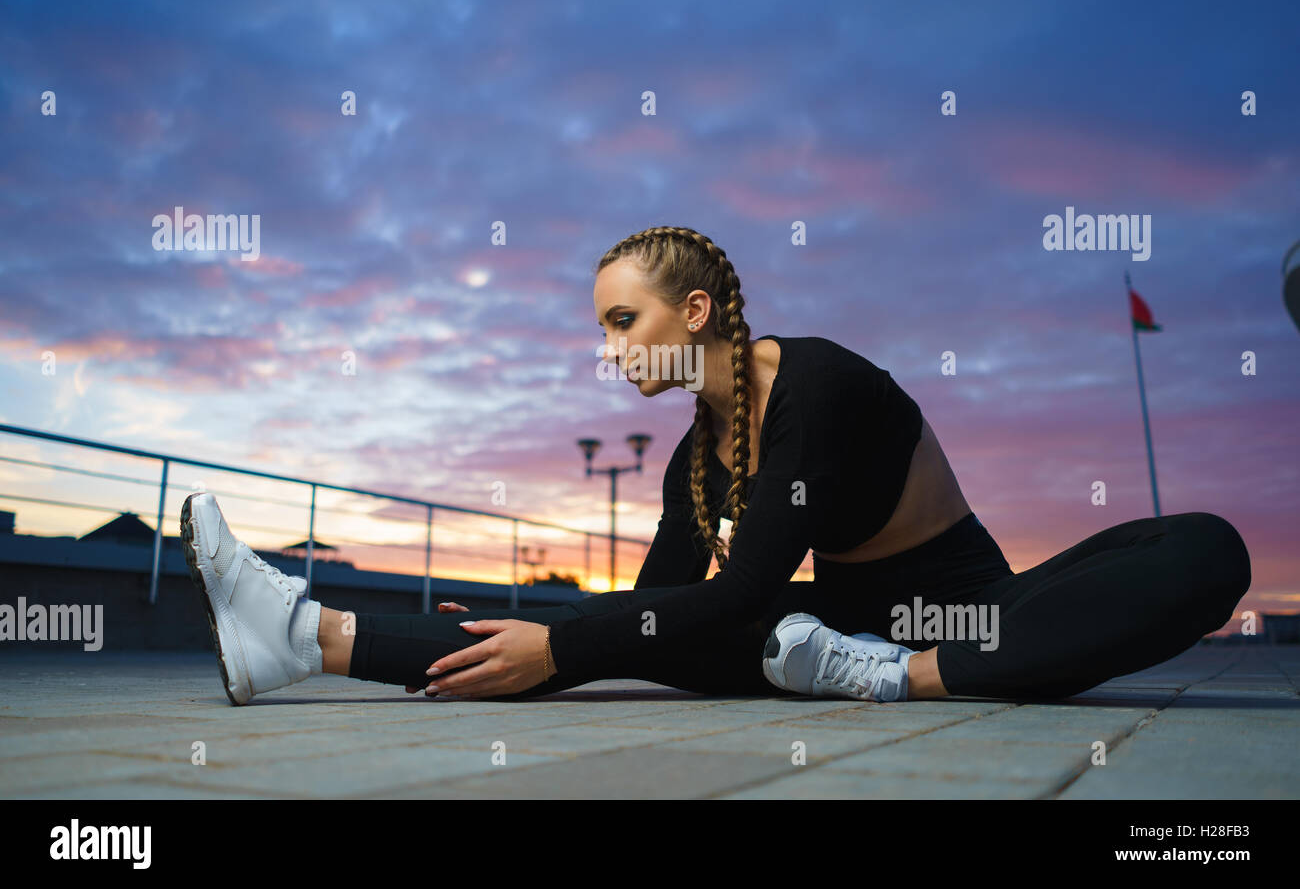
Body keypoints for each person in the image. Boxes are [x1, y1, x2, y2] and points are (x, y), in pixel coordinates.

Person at [181, 226, 1251, 706]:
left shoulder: (817, 386)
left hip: (970, 619)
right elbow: (654, 610)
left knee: (1204, 548)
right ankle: (303, 635)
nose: (608, 349)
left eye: (621, 320)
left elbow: (736, 592)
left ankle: (898, 677)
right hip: (811, 634)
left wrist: (578, 644)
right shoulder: (694, 452)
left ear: (693, 312)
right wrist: (562, 644)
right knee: (592, 634)